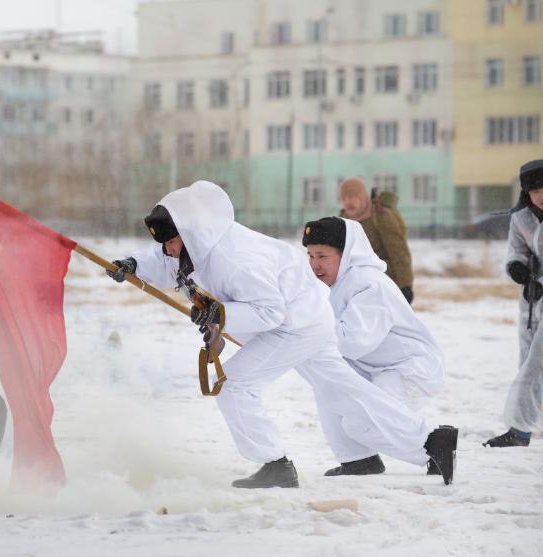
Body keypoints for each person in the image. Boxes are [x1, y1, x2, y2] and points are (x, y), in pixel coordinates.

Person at [106, 180, 458, 488]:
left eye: (171, 241)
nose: (167, 249)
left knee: (235, 387)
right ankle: (430, 442)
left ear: (192, 232)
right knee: (346, 390)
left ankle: (275, 465)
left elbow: (268, 311)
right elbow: (168, 262)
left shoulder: (235, 258)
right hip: (309, 318)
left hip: (294, 324)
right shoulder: (201, 245)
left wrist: (221, 314)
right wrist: (134, 265)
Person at [303, 216, 446, 475]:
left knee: (361, 424)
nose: (315, 265)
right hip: (375, 368)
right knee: (327, 381)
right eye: (310, 256)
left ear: (346, 254)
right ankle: (358, 460)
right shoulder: (336, 284)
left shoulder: (368, 283)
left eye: (322, 256)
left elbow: (352, 342)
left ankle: (435, 448)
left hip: (411, 370)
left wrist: (306, 325)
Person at [484, 159, 543, 448]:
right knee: (528, 360)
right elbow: (515, 251)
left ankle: (519, 429)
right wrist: (518, 268)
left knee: (536, 365)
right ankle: (521, 429)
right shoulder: (522, 218)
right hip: (534, 300)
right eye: (535, 189)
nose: (541, 194)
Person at [339, 178, 415, 305]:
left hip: (385, 282)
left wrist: (405, 285)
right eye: (344, 198)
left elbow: (399, 252)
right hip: (357, 286)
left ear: (363, 197)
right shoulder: (344, 219)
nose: (348, 202)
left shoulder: (380, 216)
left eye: (353, 197)